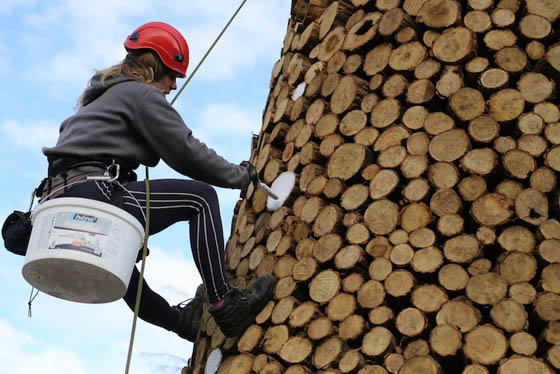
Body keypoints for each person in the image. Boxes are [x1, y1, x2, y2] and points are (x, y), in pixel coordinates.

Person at [37, 21, 276, 340]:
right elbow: (185, 151)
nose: (173, 86)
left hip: (58, 203)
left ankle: (182, 323)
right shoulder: (138, 95)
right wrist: (240, 176)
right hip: (94, 194)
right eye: (173, 75)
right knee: (200, 198)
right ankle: (224, 302)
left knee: (120, 267)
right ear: (156, 66)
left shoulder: (99, 100)